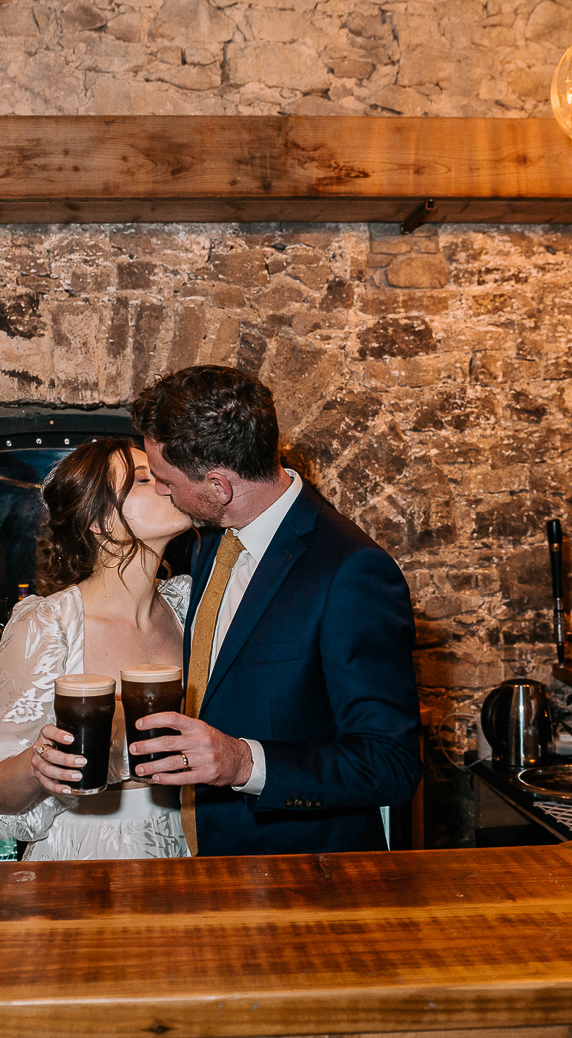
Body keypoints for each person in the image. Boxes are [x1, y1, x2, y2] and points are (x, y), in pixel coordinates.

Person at [125, 365, 422, 856]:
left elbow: (390, 765)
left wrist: (244, 763)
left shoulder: (351, 571)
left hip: (300, 877)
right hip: (204, 860)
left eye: (163, 479)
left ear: (218, 485)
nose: (160, 490)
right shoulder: (209, 544)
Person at [0, 437, 196, 860]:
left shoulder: (190, 608)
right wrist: (39, 767)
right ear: (98, 520)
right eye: (146, 479)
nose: (168, 484)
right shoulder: (49, 624)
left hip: (188, 844)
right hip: (85, 853)